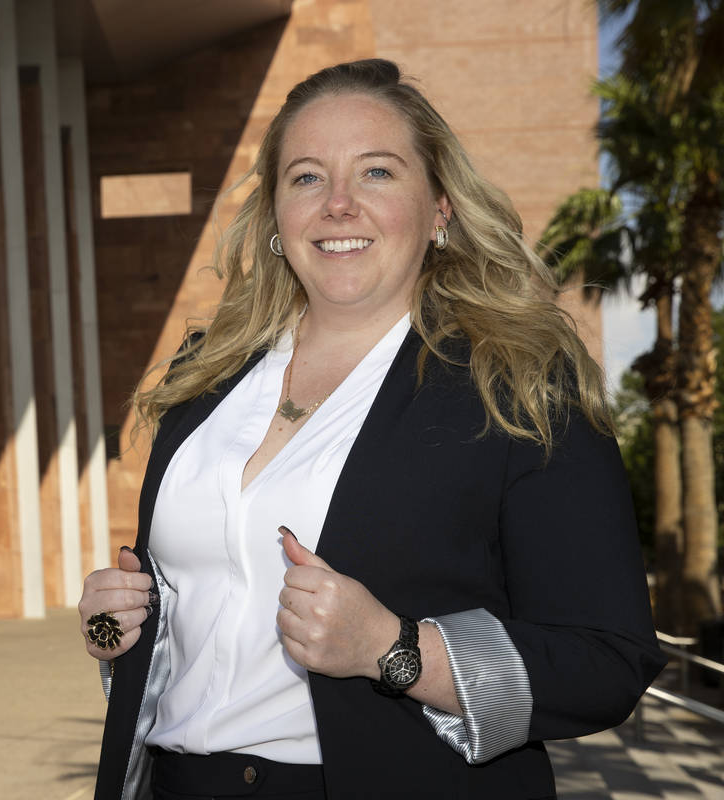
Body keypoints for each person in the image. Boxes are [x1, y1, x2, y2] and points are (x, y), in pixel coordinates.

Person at [78, 59, 665, 799]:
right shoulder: (207, 379)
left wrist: (395, 650)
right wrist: (118, 631)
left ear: (441, 208)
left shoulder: (516, 383)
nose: (339, 205)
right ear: (275, 218)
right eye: (307, 178)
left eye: (378, 173)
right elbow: (205, 623)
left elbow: (607, 662)